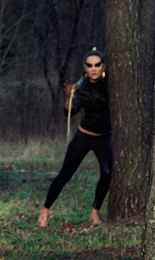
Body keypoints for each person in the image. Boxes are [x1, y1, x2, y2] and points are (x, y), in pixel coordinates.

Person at [38, 48, 112, 228]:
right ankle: (45, 211)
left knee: (107, 173)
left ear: (103, 66)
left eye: (97, 65)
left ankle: (95, 213)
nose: (93, 69)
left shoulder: (111, 83)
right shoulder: (81, 87)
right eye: (89, 65)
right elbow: (69, 112)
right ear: (85, 68)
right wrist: (68, 97)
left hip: (103, 138)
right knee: (65, 174)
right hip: (83, 137)